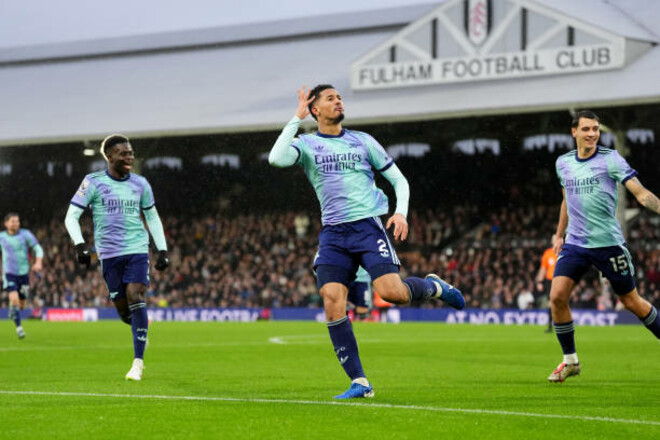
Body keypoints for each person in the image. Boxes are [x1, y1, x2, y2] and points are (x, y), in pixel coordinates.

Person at [269, 85, 465, 399]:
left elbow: (398, 179)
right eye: (330, 99)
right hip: (333, 233)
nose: (338, 101)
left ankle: (434, 287)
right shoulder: (306, 143)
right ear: (315, 109)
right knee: (332, 300)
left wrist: (400, 213)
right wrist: (296, 117)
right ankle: (360, 382)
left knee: (392, 293)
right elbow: (276, 159)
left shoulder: (363, 141)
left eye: (339, 97)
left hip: (367, 227)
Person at [548, 110, 660, 383]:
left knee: (631, 301)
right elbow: (567, 199)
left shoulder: (610, 159)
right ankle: (571, 362)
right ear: (574, 132)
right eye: (586, 129)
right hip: (575, 243)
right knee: (557, 297)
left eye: (596, 129)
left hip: (608, 244)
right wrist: (559, 233)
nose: (592, 134)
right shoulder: (563, 163)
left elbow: (641, 193)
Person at [64, 134, 170, 381]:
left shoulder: (141, 183)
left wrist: (162, 249)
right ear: (109, 156)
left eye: (131, 153)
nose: (129, 157)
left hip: (137, 249)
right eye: (123, 153)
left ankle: (138, 363)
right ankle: (141, 323)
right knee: (125, 313)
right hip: (109, 254)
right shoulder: (92, 182)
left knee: (136, 295)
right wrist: (80, 245)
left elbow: (152, 217)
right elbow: (71, 216)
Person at [0, 213, 43, 339]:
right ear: (6, 223)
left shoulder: (25, 234)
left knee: (21, 305)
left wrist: (38, 261)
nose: (16, 224)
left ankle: (12, 309)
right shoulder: (1, 237)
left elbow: (38, 248)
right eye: (13, 221)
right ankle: (19, 328)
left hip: (24, 274)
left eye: (17, 221)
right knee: (14, 299)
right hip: (9, 273)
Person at [536, 235, 558, 333]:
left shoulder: (564, 252)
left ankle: (562, 324)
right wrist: (539, 282)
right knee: (550, 303)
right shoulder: (548, 253)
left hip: (561, 280)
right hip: (550, 280)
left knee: (560, 302)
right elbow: (543, 268)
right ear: (552, 241)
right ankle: (550, 326)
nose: (555, 241)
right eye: (554, 239)